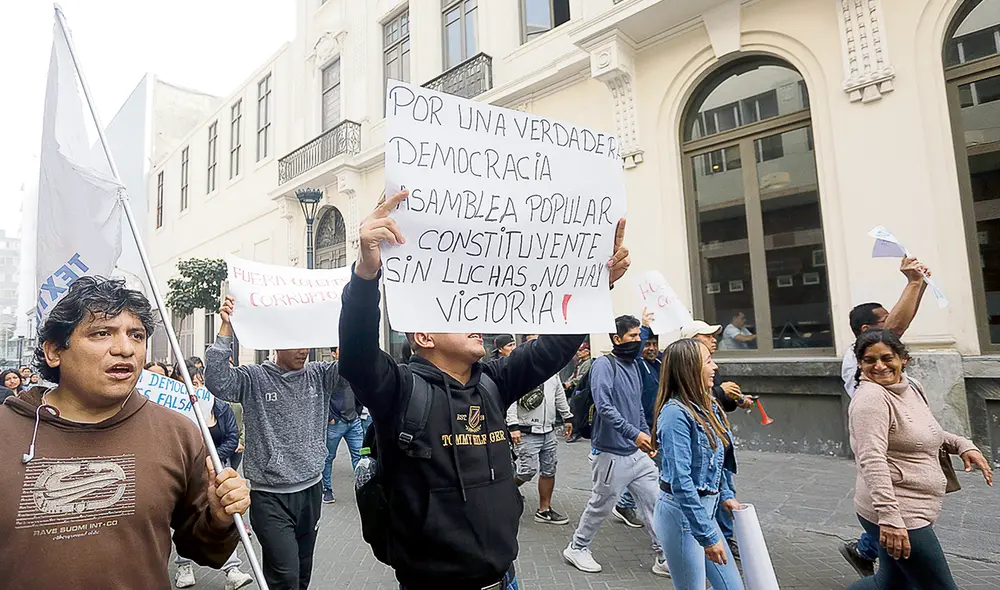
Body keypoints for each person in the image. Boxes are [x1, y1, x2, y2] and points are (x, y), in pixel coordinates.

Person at [339, 189, 631, 590]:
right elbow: (355, 356)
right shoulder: (401, 390)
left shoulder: (494, 380)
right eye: (456, 314)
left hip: (505, 578)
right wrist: (366, 273)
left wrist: (595, 287)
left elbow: (553, 347)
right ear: (423, 336)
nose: (472, 317)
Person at [0, 276, 249, 588]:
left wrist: (219, 517)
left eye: (137, 335)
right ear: (54, 352)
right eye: (102, 333)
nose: (124, 349)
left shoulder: (178, 433)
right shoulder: (6, 430)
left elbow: (202, 549)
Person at [206, 295, 342, 590]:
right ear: (276, 342)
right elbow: (217, 381)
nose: (303, 349)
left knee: (303, 574)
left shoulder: (320, 375)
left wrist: (352, 334)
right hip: (270, 498)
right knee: (285, 577)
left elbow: (356, 368)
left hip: (311, 490)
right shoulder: (254, 378)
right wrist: (226, 328)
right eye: (295, 342)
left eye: (307, 342)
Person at [848, 329, 992, 590]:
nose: (879, 366)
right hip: (899, 512)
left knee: (891, 584)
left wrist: (962, 445)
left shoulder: (911, 387)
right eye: (869, 360)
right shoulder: (871, 399)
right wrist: (890, 519)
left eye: (887, 358)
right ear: (860, 363)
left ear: (903, 359)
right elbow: (872, 459)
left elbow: (928, 432)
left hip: (915, 505)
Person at [840, 256, 930, 576]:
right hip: (891, 466)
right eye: (883, 320)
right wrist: (913, 283)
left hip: (906, 460)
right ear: (867, 331)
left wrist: (919, 286)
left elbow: (897, 325)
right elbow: (897, 327)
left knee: (894, 575)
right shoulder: (861, 357)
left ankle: (867, 551)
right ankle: (867, 547)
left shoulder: (876, 351)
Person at [564, 314, 668, 577]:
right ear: (616, 338)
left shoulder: (633, 366)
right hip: (610, 453)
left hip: (636, 454)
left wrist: (645, 436)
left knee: (655, 501)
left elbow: (636, 409)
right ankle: (577, 547)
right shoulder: (603, 365)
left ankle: (664, 556)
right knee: (601, 505)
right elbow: (604, 407)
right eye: (632, 336)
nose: (638, 341)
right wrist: (635, 434)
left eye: (638, 336)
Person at [652, 338, 744, 590]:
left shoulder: (709, 404)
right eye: (708, 361)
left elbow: (719, 458)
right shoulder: (674, 414)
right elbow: (681, 481)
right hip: (681, 515)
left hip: (705, 510)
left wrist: (725, 494)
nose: (715, 367)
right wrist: (707, 536)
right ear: (689, 368)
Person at [679, 319, 753, 558]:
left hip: (718, 450)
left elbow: (718, 403)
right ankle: (711, 537)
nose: (713, 341)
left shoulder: (710, 370)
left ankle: (722, 536)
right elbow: (680, 480)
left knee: (723, 489)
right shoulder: (676, 410)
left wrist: (737, 399)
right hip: (704, 457)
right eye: (707, 336)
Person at [175, 387, 255, 590]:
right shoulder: (174, 409)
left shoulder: (220, 408)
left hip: (216, 467)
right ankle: (184, 566)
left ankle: (232, 569)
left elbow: (231, 437)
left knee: (224, 512)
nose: (197, 387)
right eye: (191, 381)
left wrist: (212, 457)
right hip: (185, 469)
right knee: (182, 516)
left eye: (200, 381)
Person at [506, 333, 574, 526]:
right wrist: (513, 426)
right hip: (526, 431)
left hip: (548, 430)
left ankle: (544, 510)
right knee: (527, 471)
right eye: (532, 339)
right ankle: (503, 492)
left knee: (549, 469)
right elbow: (509, 398)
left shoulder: (552, 369)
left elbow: (559, 393)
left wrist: (567, 416)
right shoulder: (519, 368)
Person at [613, 309, 661, 529]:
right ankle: (624, 503)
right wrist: (643, 326)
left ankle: (626, 503)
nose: (650, 348)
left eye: (654, 344)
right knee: (646, 467)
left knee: (647, 469)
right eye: (646, 343)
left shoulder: (659, 364)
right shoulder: (637, 363)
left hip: (656, 424)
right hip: (641, 427)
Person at [322, 346, 366, 504]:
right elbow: (323, 396)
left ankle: (363, 488)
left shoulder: (353, 370)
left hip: (353, 421)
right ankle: (326, 489)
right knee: (328, 457)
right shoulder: (329, 372)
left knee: (360, 457)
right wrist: (330, 417)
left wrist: (358, 412)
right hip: (336, 423)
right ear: (334, 354)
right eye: (340, 349)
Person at [564, 342, 592, 443]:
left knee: (575, 409)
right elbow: (574, 375)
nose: (578, 353)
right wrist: (567, 382)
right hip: (574, 387)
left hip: (581, 389)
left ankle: (576, 431)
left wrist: (571, 383)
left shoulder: (589, 363)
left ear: (587, 351)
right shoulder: (580, 362)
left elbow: (582, 377)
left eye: (580, 351)